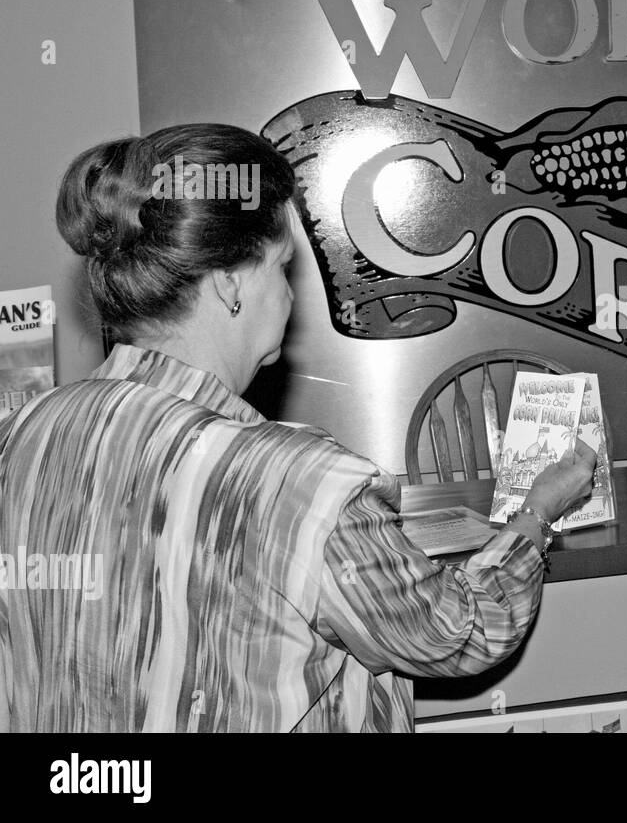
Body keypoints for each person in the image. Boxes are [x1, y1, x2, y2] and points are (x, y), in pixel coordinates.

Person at [0, 124, 595, 732]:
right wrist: (536, 515)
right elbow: (454, 634)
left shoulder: (20, 435)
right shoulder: (303, 482)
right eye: (282, 268)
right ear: (229, 283)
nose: (289, 297)